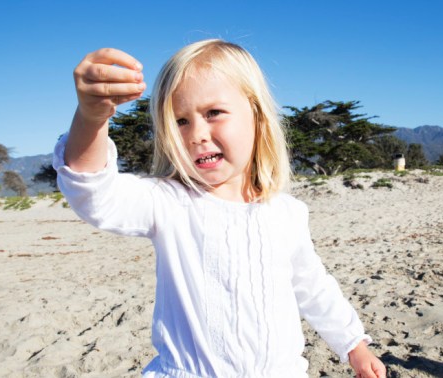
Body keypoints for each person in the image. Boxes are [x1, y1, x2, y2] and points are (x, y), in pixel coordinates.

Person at [53, 39, 386, 378]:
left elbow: (313, 287)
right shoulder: (168, 202)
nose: (197, 133)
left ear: (256, 115)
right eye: (180, 120)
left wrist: (354, 345)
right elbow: (94, 194)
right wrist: (91, 118)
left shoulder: (287, 212)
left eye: (213, 113)